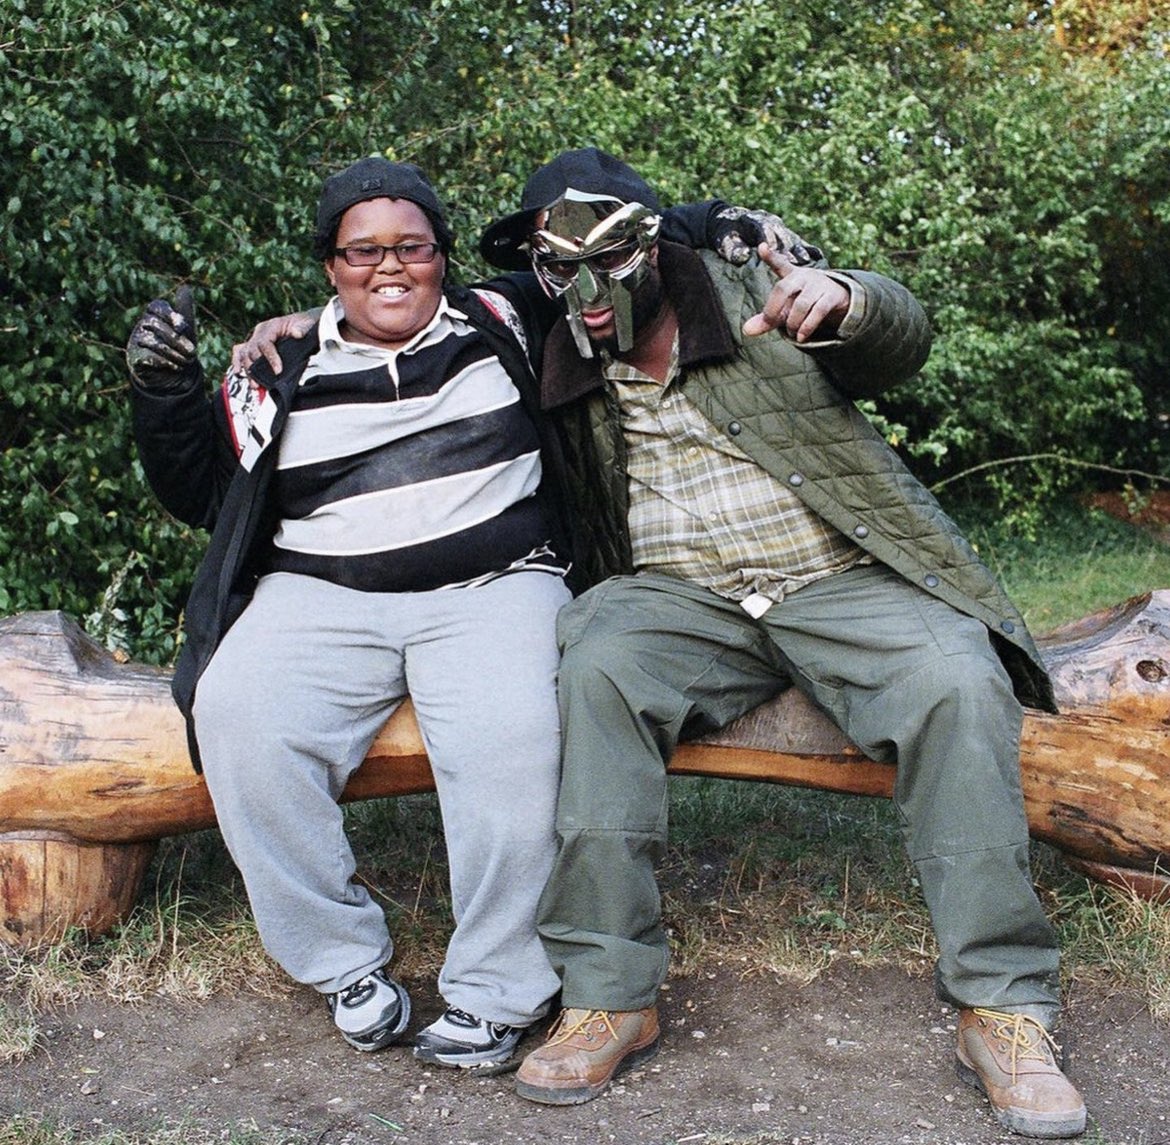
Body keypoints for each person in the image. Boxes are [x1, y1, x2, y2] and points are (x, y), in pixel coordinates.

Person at [125, 155, 791, 1074]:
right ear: (330, 265)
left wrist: (719, 217)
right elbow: (201, 492)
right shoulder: (278, 366)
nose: (389, 267)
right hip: (318, 594)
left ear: (443, 254)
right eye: (364, 252)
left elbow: (609, 229)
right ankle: (344, 964)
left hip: (495, 584)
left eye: (413, 246)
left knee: (514, 735)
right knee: (238, 717)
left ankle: (497, 989)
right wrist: (163, 395)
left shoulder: (505, 313)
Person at [471, 149, 1086, 1138]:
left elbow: (897, 336)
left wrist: (846, 297)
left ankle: (1003, 1006)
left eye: (613, 253)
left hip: (838, 575)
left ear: (653, 243)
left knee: (956, 683)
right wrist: (294, 328)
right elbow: (403, 293)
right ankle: (609, 990)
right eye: (560, 264)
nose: (589, 286)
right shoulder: (557, 327)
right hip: (685, 595)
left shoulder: (747, 279)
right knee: (594, 662)